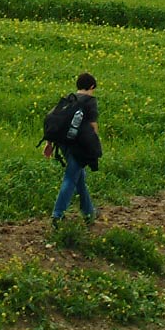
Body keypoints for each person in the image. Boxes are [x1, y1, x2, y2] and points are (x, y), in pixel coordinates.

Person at [45, 73, 104, 222]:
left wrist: (49, 144)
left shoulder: (69, 99)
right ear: (91, 87)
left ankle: (89, 213)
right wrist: (95, 146)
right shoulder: (89, 101)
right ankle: (57, 215)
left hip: (64, 143)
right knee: (71, 178)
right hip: (79, 146)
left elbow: (55, 121)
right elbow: (93, 126)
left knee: (79, 178)